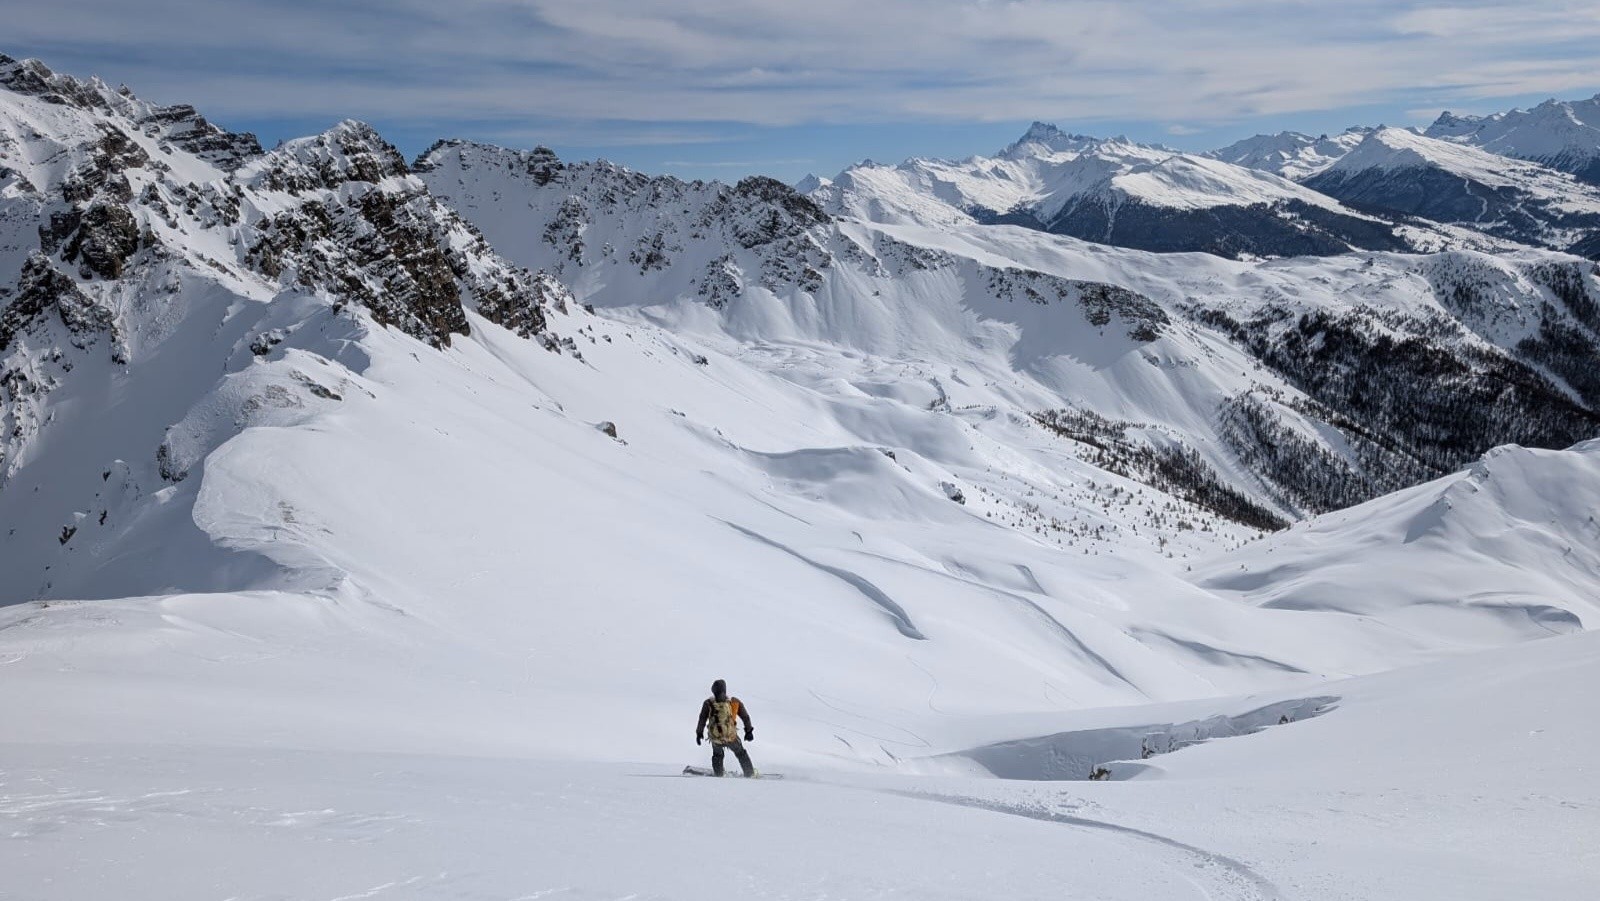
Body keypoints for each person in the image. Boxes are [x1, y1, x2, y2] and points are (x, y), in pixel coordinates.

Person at [695, 679, 755, 777]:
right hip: (731, 736)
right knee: (741, 753)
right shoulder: (734, 702)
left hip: (716, 738)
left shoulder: (708, 703)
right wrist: (748, 731)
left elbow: (702, 718)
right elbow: (745, 717)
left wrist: (699, 733)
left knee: (717, 755)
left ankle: (719, 774)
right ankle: (750, 773)